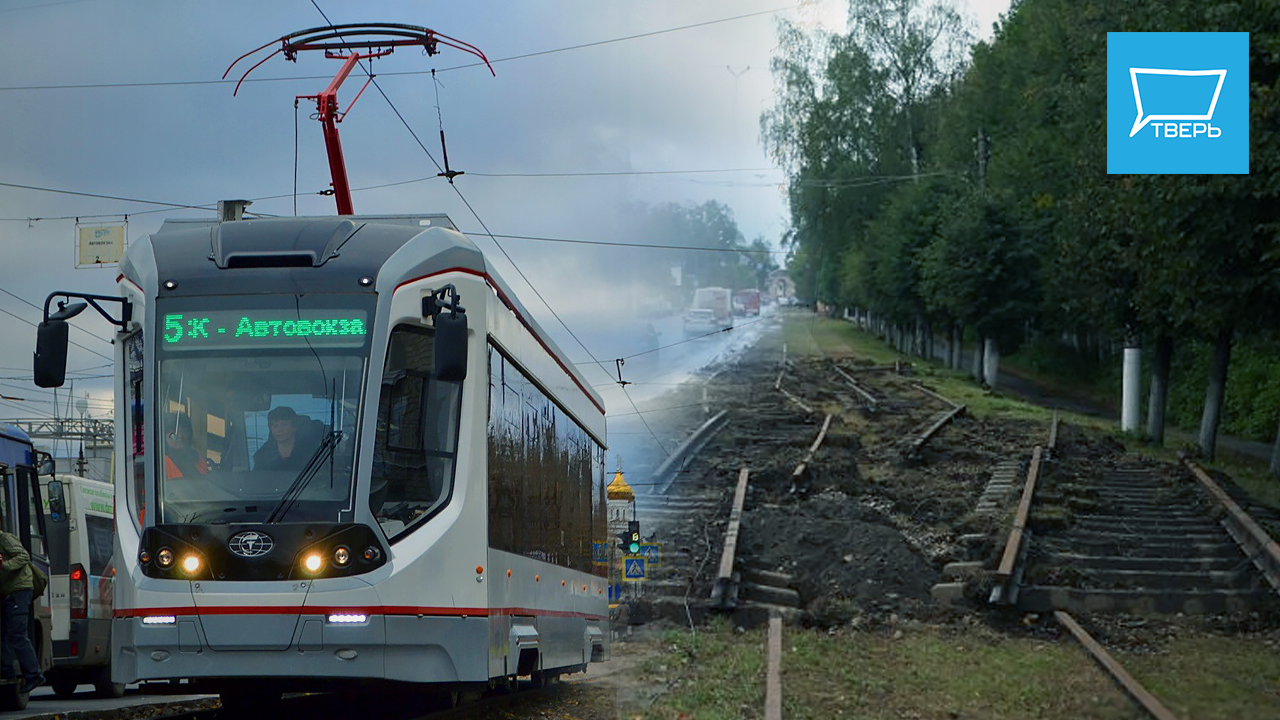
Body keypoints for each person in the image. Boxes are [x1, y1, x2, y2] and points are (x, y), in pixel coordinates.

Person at [0, 530, 45, 694]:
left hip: (19, 591)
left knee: (17, 634)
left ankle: (34, 674)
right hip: (7, 592)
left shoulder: (5, 538)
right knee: (4, 632)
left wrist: (5, 565)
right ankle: (6, 670)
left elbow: (24, 556)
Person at [254, 406, 319, 472]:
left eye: (284, 425)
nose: (280, 430)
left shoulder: (311, 452)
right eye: (275, 426)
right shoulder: (262, 456)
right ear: (271, 430)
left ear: (294, 427)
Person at [163, 414, 208, 479]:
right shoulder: (161, 463)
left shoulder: (199, 461)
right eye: (174, 432)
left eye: (184, 431)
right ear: (164, 436)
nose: (180, 436)